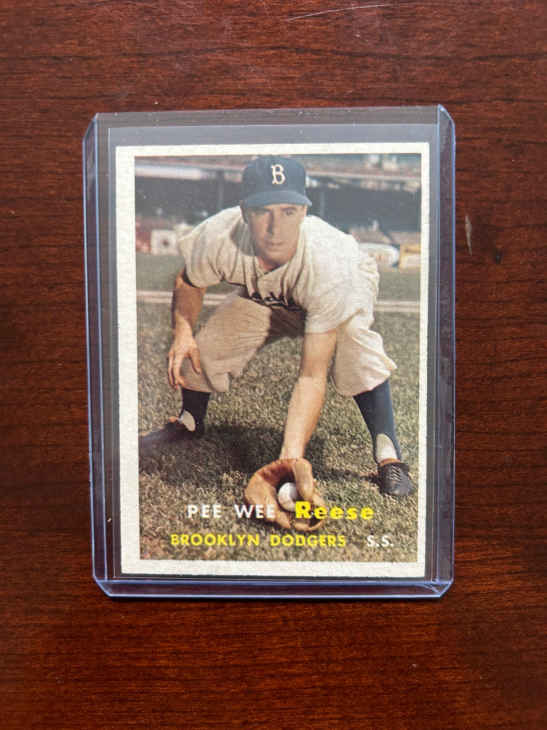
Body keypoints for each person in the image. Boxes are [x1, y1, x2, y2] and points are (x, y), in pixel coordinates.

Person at [166, 156, 414, 498]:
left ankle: (389, 455)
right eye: (262, 211)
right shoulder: (219, 235)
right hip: (268, 295)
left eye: (288, 211)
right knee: (206, 346)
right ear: (244, 212)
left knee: (354, 344)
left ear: (304, 212)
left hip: (338, 286)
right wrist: (183, 333)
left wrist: (289, 458)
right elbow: (189, 281)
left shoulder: (329, 261)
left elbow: (312, 376)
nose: (275, 227)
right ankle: (189, 421)